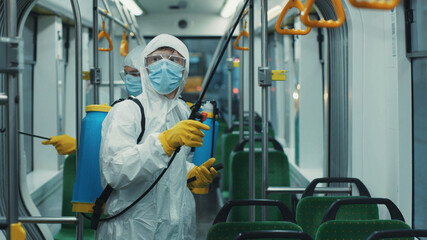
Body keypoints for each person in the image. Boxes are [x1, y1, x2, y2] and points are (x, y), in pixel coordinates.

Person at [96, 34, 218, 240]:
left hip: (177, 227)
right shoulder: (127, 111)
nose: (164, 65)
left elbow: (174, 164)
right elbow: (115, 171)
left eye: (173, 60)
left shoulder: (182, 110)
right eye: (156, 59)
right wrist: (164, 143)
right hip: (132, 229)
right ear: (145, 66)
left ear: (184, 69)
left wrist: (191, 173)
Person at [42, 46, 146, 153]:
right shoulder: (125, 106)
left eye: (133, 73)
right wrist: (79, 145)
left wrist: (77, 146)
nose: (128, 78)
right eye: (126, 73)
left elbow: (128, 153)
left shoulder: (156, 112)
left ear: (147, 74)